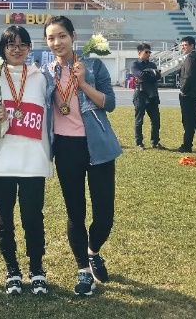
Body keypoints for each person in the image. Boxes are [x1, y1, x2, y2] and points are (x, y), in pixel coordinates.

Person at [42, 16, 122, 297]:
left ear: (73, 36)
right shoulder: (46, 73)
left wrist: (83, 82)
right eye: (51, 38)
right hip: (66, 148)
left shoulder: (94, 66)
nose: (57, 42)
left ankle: (93, 251)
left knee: (104, 216)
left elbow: (109, 104)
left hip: (98, 146)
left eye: (62, 36)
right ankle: (83, 271)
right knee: (75, 213)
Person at [0, 26, 52, 295]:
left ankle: (37, 269)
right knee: (4, 219)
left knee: (33, 217)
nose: (17, 49)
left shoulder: (41, 77)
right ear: (3, 49)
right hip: (2, 160)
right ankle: (12, 270)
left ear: (29, 48)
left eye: (22, 44)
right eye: (11, 45)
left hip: (33, 160)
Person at [130, 43, 165, 150]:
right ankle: (139, 143)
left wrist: (146, 76)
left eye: (150, 52)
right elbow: (141, 75)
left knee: (156, 119)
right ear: (139, 53)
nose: (149, 54)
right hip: (140, 94)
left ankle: (155, 142)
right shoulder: (135, 65)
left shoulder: (152, 65)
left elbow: (157, 76)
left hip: (152, 94)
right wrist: (150, 75)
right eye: (146, 52)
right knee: (139, 120)